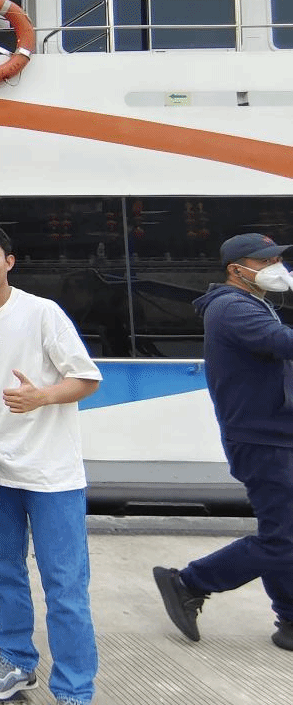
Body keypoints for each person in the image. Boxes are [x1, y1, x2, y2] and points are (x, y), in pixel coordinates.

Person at [0, 220, 102, 705]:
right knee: (5, 571)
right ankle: (16, 661)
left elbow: (87, 378)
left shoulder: (41, 313)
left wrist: (42, 396)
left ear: (9, 262)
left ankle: (74, 689)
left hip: (53, 476)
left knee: (65, 586)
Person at [153, 232, 293, 653]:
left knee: (282, 533)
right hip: (262, 440)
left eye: (277, 260)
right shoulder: (232, 307)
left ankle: (290, 619)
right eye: (265, 262)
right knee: (283, 539)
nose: (276, 268)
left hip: (273, 436)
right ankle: (189, 582)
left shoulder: (253, 303)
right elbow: (283, 343)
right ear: (237, 270)